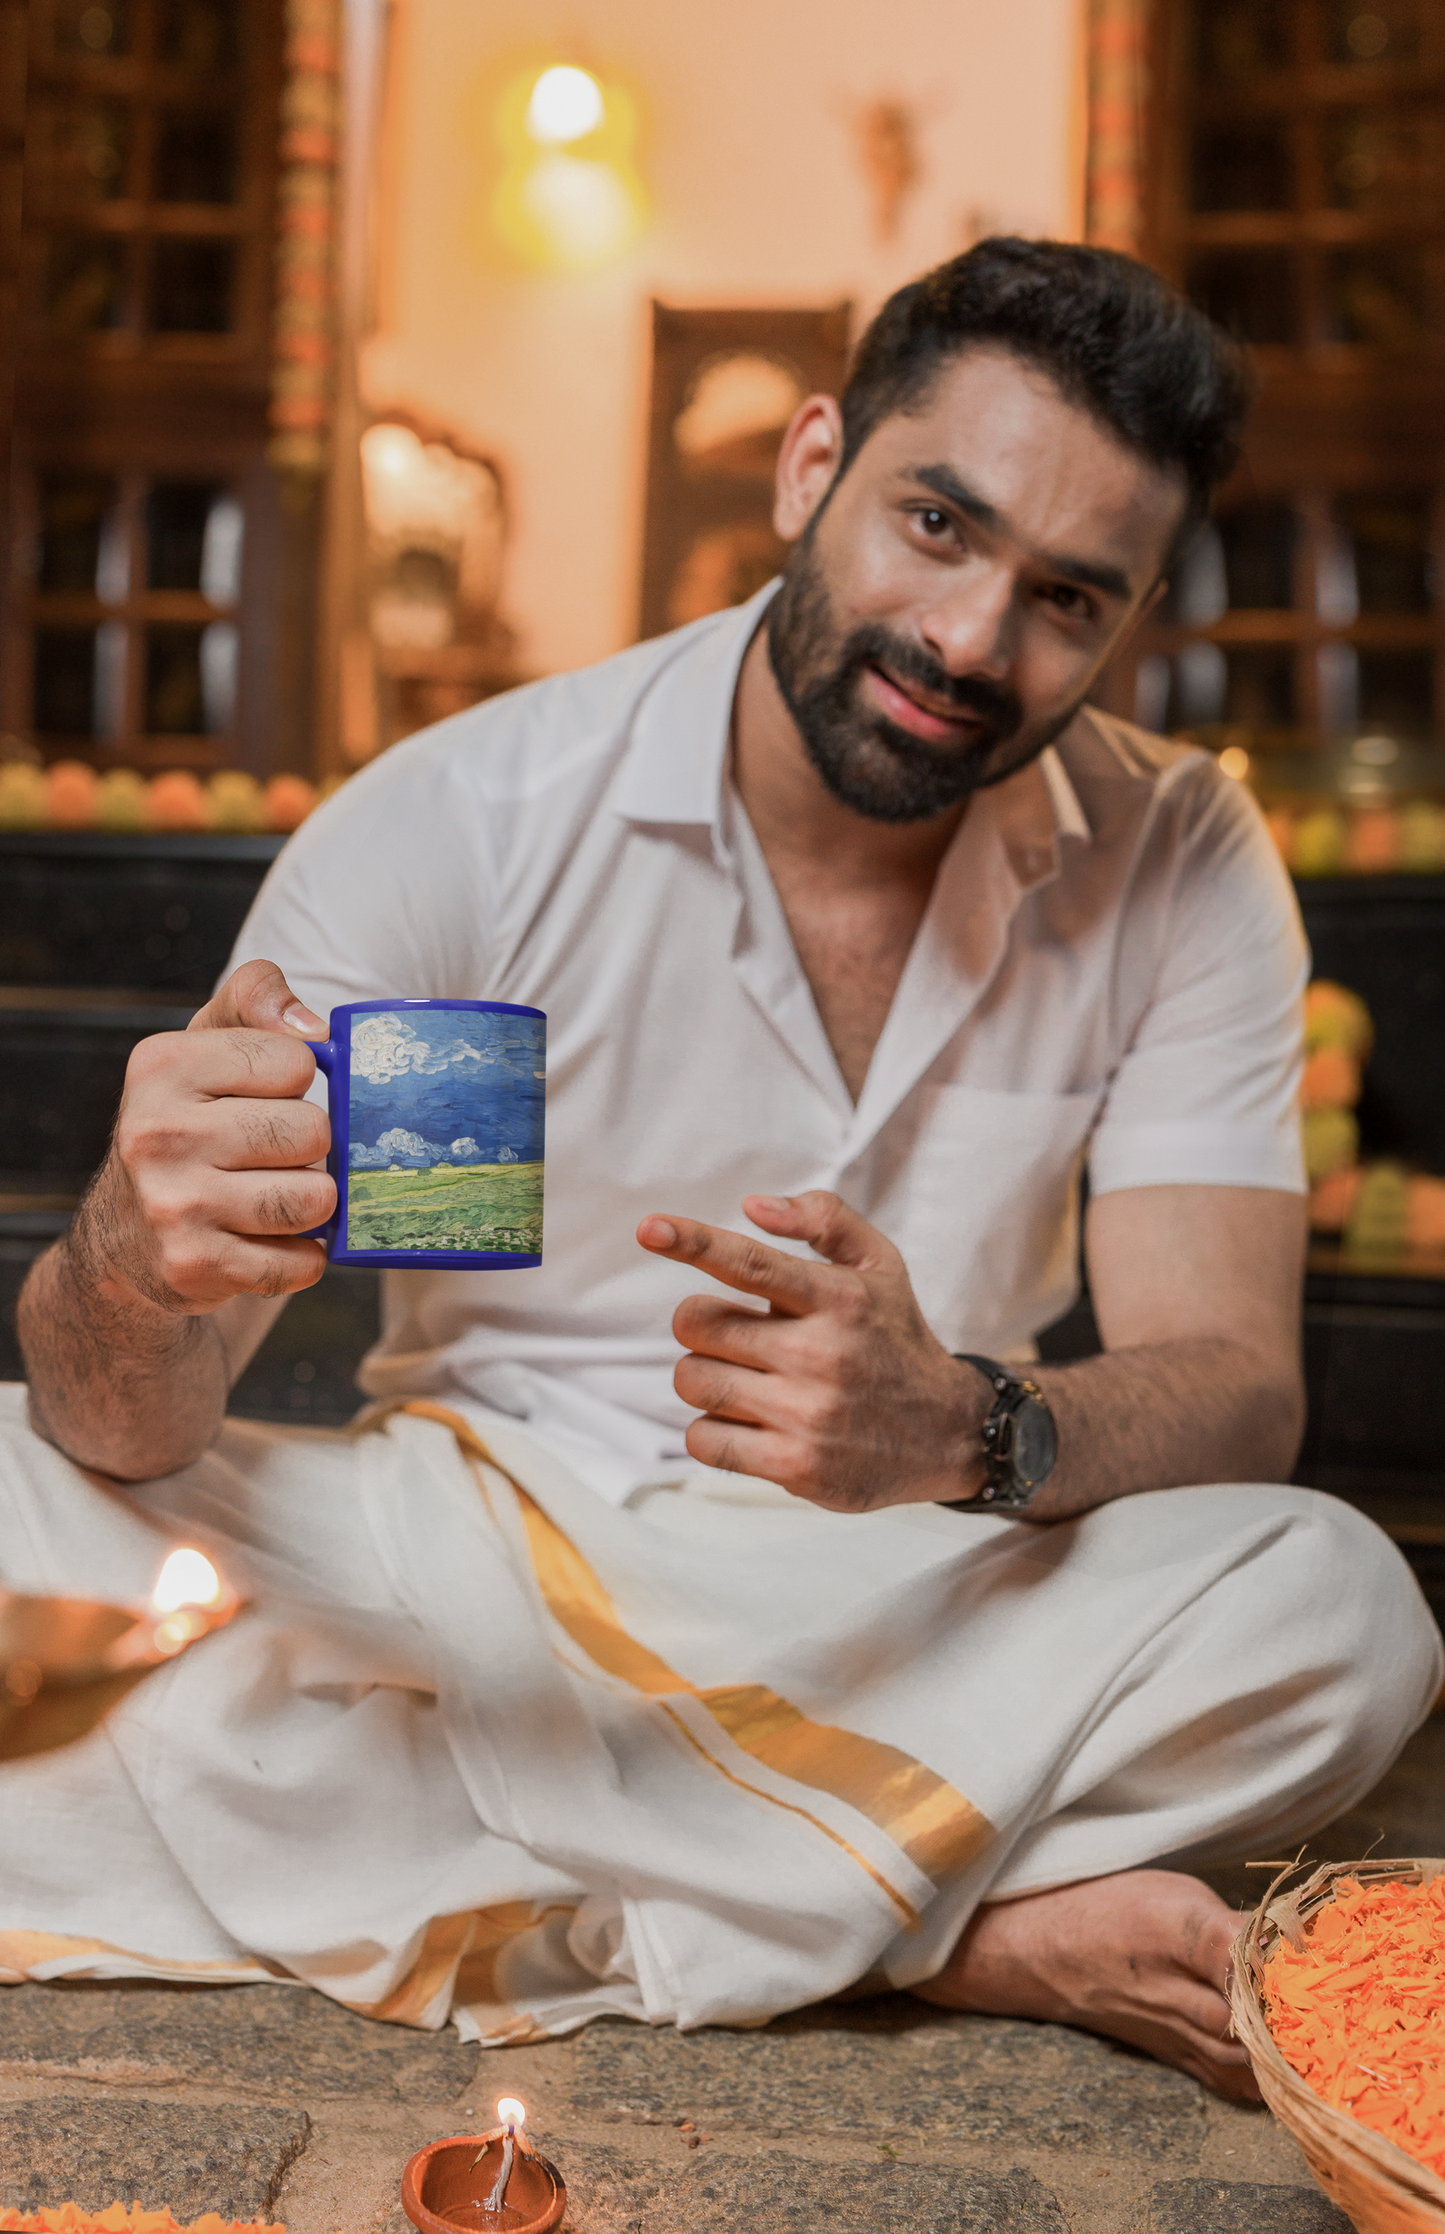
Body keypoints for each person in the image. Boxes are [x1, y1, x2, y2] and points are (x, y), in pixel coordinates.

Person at [6, 241, 1439, 2094]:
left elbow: (1239, 1384)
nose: (972, 641)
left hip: (904, 1583)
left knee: (1338, 1608)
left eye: (1067, 598)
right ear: (811, 464)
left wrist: (962, 1428)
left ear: (1132, 618)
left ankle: (605, 1884)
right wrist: (134, 1254)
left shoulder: (1179, 852)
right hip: (466, 1553)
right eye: (937, 521)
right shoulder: (461, 818)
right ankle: (950, 1928)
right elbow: (130, 1424)